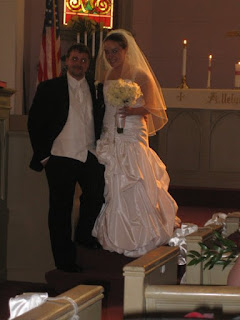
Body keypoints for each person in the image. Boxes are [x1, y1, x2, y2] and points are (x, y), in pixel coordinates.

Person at [92, 29, 180, 258]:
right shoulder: (109, 75)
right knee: (115, 181)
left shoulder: (140, 74)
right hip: (112, 131)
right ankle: (117, 233)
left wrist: (131, 110)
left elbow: (152, 107)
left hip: (132, 131)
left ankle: (143, 234)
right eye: (107, 52)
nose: (111, 56)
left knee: (134, 176)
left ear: (125, 50)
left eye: (115, 51)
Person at [28, 43, 105, 272]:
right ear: (66, 61)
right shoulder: (49, 87)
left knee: (97, 195)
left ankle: (82, 238)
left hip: (89, 153)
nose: (78, 63)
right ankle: (64, 261)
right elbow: (35, 122)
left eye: (83, 60)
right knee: (60, 210)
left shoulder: (96, 89)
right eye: (74, 59)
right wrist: (43, 156)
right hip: (60, 156)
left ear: (88, 64)